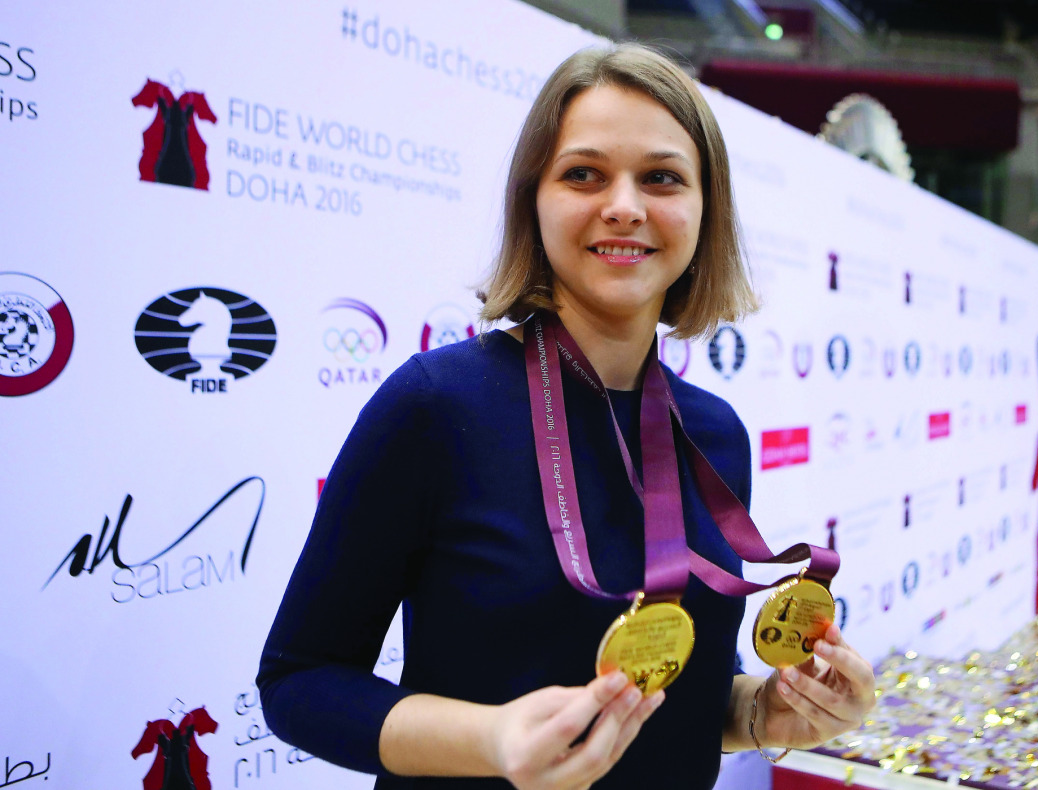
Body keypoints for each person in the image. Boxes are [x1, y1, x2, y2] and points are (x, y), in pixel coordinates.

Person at [258, 44, 875, 790]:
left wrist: (766, 713)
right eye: (584, 174)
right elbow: (299, 681)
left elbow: (674, 698)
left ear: (704, 212)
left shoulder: (715, 435)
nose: (624, 205)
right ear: (534, 201)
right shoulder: (435, 405)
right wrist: (489, 740)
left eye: (661, 178)